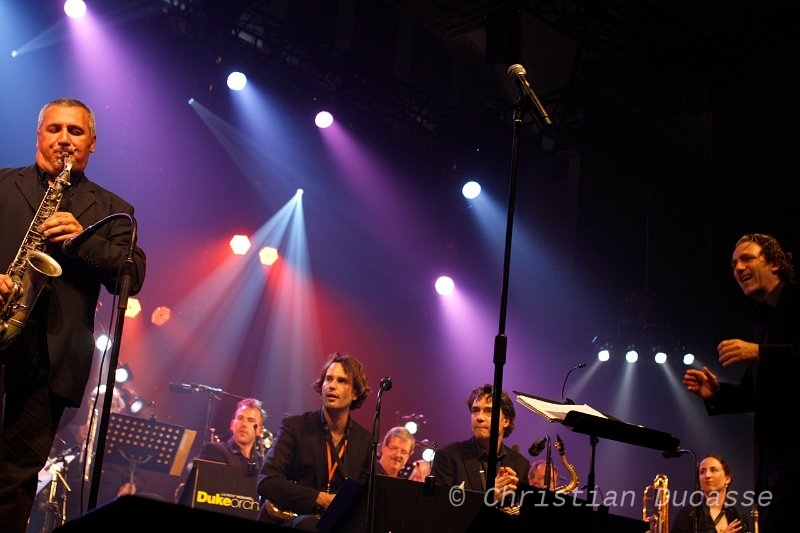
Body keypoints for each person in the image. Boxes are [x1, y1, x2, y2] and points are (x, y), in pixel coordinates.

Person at [0, 98, 146, 533]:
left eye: (76, 132)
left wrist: (82, 242)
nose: (64, 139)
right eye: (55, 129)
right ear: (39, 136)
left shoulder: (111, 209)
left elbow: (132, 276)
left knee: (14, 481)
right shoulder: (4, 184)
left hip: (49, 362)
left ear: (92, 143)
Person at [683, 233, 800, 532]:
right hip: (776, 466)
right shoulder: (763, 321)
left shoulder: (797, 300)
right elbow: (754, 394)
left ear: (774, 263)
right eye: (734, 263)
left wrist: (759, 351)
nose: (738, 268)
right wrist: (716, 393)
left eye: (747, 258)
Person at [257, 352, 372, 531]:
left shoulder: (365, 440)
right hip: (289, 519)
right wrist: (320, 498)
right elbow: (267, 481)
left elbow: (368, 498)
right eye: (328, 379)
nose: (332, 386)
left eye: (341, 381)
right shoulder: (295, 426)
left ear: (356, 392)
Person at [431, 384, 530, 505]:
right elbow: (437, 510)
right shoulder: (448, 457)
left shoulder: (521, 464)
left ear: (506, 421)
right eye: (475, 410)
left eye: (489, 411)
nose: (479, 417)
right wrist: (488, 498)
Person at [670, 454, 751, 533]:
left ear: (727, 479)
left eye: (713, 470)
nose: (707, 475)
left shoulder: (739, 517)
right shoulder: (688, 514)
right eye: (702, 472)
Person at [193, 397, 268, 476]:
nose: (244, 424)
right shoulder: (214, 450)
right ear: (232, 425)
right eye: (240, 418)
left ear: (260, 431)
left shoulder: (261, 462)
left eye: (250, 420)